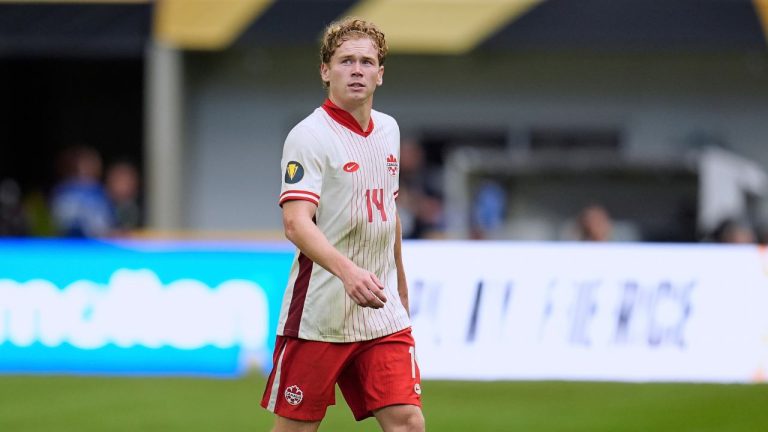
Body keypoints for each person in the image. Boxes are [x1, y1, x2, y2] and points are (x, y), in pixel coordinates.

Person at [260, 17, 425, 432]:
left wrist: (400, 283)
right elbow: (296, 223)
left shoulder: (389, 130)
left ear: (380, 74)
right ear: (325, 71)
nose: (356, 70)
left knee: (407, 421)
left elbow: (388, 211)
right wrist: (349, 272)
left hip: (381, 311)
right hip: (322, 313)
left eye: (367, 62)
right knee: (297, 428)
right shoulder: (309, 136)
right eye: (346, 60)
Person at [50, 145, 114, 238]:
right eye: (85, 164)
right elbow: (58, 222)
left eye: (92, 163)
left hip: (96, 244)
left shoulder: (99, 191)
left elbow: (106, 222)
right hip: (67, 244)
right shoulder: (63, 190)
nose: (90, 167)